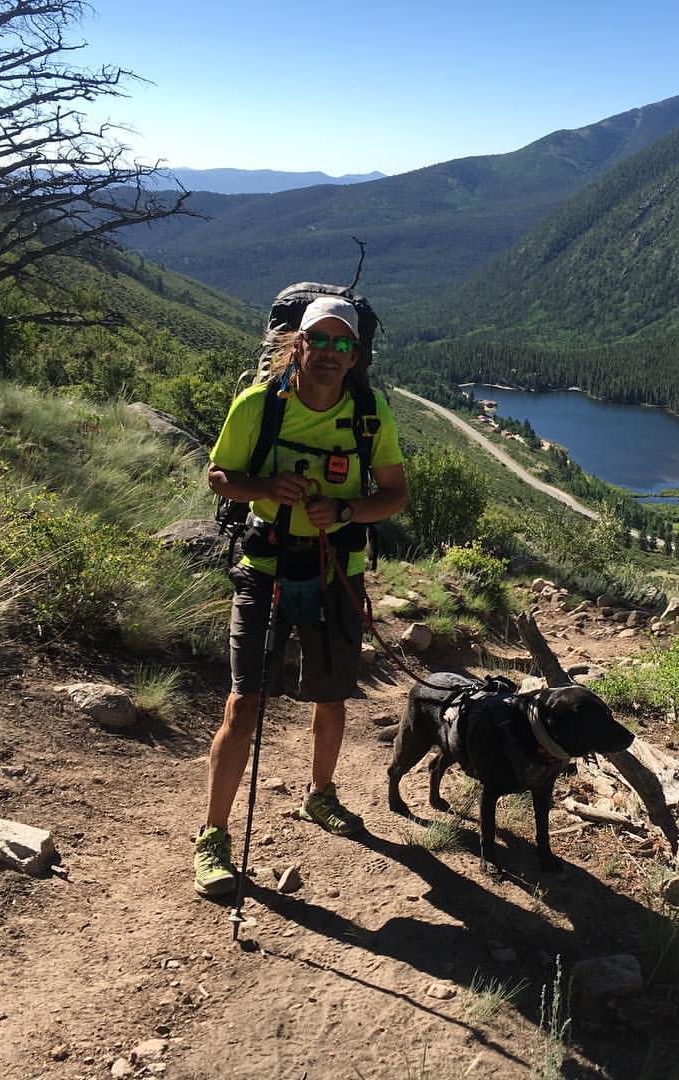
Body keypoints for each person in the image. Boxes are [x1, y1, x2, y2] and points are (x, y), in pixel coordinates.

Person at [194, 293, 408, 897]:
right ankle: (212, 836)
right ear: (299, 343)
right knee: (244, 705)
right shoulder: (259, 407)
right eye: (321, 341)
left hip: (338, 567)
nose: (331, 354)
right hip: (264, 567)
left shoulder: (370, 413)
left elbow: (393, 494)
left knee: (332, 693)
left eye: (344, 344)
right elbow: (219, 476)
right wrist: (266, 486)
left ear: (356, 355)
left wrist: (342, 508)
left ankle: (321, 794)